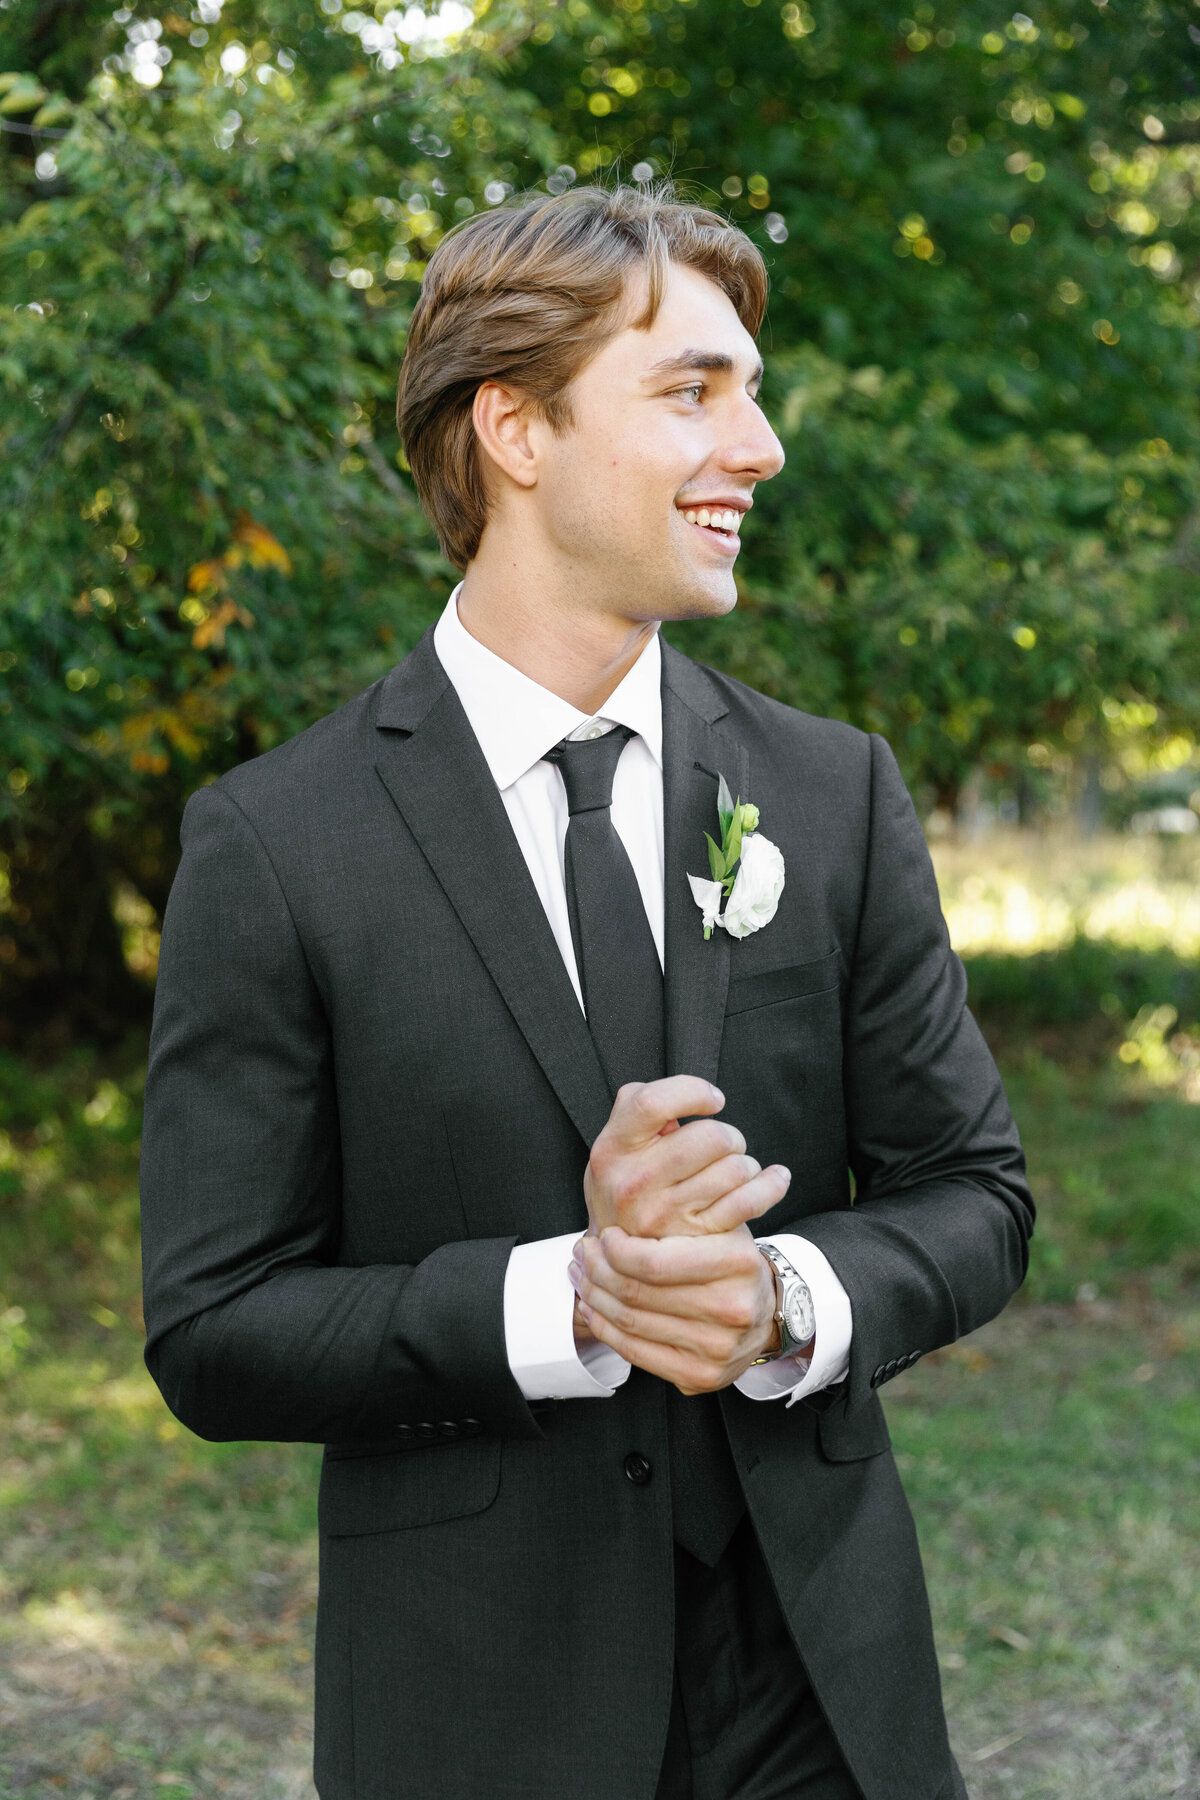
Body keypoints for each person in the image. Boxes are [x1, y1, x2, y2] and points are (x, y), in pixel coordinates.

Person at [140, 180, 1034, 1800]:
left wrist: (786, 1303)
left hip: (822, 1689)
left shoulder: (832, 794)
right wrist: (567, 1296)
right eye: (693, 390)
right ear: (516, 430)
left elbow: (976, 1193)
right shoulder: (276, 844)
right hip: (482, 1704)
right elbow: (213, 1328)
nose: (757, 446)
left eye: (749, 392)